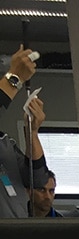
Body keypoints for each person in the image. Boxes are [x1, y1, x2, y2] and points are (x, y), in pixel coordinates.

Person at [1, 44, 48, 219]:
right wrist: (15, 77)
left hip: (16, 232)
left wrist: (32, 133)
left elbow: (37, 180)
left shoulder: (5, 144)